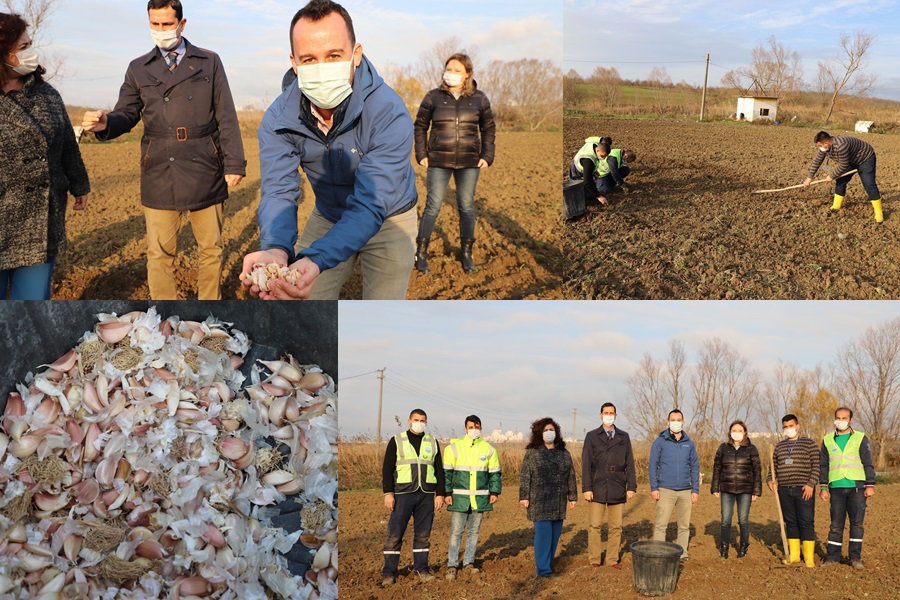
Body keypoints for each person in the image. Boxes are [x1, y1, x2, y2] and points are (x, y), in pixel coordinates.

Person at [242, 0, 418, 300]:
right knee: (303, 297)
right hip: (329, 214)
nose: (322, 69)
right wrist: (276, 246)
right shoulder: (279, 119)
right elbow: (279, 191)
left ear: (356, 55)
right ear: (294, 63)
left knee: (383, 309)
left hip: (390, 216)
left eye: (334, 55)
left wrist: (317, 257)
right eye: (309, 59)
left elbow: (371, 203)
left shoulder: (388, 112)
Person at [82, 0, 246, 300]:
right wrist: (106, 122)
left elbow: (226, 114)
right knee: (159, 253)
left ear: (182, 24)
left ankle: (212, 310)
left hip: (205, 165)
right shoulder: (138, 68)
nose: (161, 30)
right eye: (154, 24)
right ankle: (165, 316)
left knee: (210, 249)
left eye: (167, 24)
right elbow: (126, 114)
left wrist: (234, 162)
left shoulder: (209, 61)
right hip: (159, 167)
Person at [0, 12, 89, 300]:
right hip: (3, 216)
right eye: (22, 48)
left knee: (32, 303)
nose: (32, 52)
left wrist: (79, 185)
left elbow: (67, 144)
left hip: (40, 220)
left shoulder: (46, 94)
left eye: (30, 44)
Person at [413, 53, 495, 274]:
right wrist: (422, 153)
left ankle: (466, 253)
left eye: (457, 71)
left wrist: (487, 155)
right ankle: (420, 252)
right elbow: (420, 126)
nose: (451, 74)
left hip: (469, 162)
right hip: (438, 160)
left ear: (467, 74)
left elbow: (488, 129)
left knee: (466, 207)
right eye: (448, 69)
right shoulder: (433, 97)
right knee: (432, 206)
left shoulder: (479, 99)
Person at [381, 409, 445, 585]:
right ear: (409, 421)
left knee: (423, 535)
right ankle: (389, 572)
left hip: (425, 495)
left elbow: (439, 469)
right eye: (416, 419)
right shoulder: (397, 440)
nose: (419, 423)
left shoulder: (432, 442)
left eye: (422, 420)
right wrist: (388, 493)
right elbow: (387, 468)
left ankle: (421, 569)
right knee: (395, 534)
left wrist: (440, 494)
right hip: (403, 494)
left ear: (426, 422)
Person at [442, 415, 501, 579]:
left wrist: (494, 492)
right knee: (456, 532)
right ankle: (452, 565)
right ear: (465, 429)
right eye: (470, 427)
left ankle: (469, 563)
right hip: (459, 499)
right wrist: (447, 493)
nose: (473, 429)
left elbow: (495, 473)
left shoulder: (489, 449)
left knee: (474, 532)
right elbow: (446, 474)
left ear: (480, 428)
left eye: (476, 426)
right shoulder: (453, 448)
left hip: (480, 499)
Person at [519, 417, 577, 578]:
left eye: (551, 430)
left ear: (556, 432)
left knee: (554, 535)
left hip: (558, 500)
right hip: (539, 500)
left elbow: (571, 475)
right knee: (543, 535)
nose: (549, 433)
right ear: (539, 433)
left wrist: (572, 496)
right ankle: (543, 569)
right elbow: (525, 476)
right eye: (545, 430)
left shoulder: (564, 453)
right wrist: (524, 496)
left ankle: (547, 563)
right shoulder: (532, 453)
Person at [819, 406, 876, 569]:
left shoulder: (860, 438)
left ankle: (855, 558)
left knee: (857, 524)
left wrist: (869, 484)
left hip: (857, 487)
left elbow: (867, 462)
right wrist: (823, 487)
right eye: (838, 418)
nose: (841, 421)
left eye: (844, 418)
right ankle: (832, 558)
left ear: (850, 420)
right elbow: (824, 465)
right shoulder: (827, 440)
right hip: (836, 487)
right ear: (834, 419)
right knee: (835, 525)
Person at [581, 402, 636, 569]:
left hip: (617, 485)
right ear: (600, 415)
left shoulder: (623, 437)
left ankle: (612, 559)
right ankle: (595, 559)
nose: (609, 415)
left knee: (616, 526)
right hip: (597, 485)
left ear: (616, 416)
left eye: (612, 412)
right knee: (595, 525)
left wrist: (631, 486)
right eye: (606, 412)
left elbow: (630, 463)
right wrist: (587, 488)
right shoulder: (592, 436)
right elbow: (586, 463)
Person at [766, 413, 819, 568]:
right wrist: (770, 479)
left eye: (791, 426)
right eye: (785, 427)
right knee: (790, 522)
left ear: (798, 426)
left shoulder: (809, 444)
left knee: (806, 521)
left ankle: (808, 558)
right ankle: (794, 556)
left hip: (804, 489)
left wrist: (810, 484)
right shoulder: (780, 447)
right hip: (784, 490)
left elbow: (817, 466)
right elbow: (772, 467)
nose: (788, 429)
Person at [649, 408, 700, 561]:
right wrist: (654, 487)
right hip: (665, 490)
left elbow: (695, 467)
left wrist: (695, 489)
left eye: (679, 420)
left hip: (685, 491)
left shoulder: (689, 444)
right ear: (668, 422)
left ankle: (683, 553)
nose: (676, 422)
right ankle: (658, 552)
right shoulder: (660, 442)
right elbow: (653, 465)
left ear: (683, 423)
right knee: (661, 524)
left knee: (684, 526)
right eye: (673, 420)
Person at [803, 131, 883, 223]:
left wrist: (831, 176)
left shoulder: (841, 146)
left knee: (869, 184)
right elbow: (817, 160)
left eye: (820, 146)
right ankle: (836, 205)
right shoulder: (826, 147)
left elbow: (844, 165)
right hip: (851, 159)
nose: (820, 148)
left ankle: (878, 212)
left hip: (865, 158)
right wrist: (809, 177)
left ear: (826, 143)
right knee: (841, 180)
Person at [710, 420, 761, 559]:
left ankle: (743, 547)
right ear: (730, 433)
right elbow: (717, 468)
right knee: (726, 520)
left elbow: (757, 470)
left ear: (745, 432)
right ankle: (724, 548)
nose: (737, 433)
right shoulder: (723, 448)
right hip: (727, 489)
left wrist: (756, 490)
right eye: (734, 430)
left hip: (745, 489)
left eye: (740, 430)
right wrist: (715, 487)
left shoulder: (752, 449)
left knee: (743, 520)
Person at [568, 136, 612, 207]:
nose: (603, 158)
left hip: (583, 167)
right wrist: (599, 196)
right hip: (576, 172)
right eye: (602, 156)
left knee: (592, 190)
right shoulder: (589, 161)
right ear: (597, 150)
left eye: (605, 157)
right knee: (582, 196)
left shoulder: (593, 143)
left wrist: (594, 172)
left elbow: (588, 139)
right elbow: (587, 181)